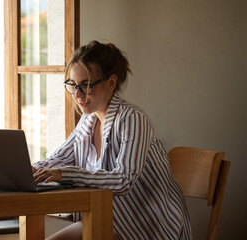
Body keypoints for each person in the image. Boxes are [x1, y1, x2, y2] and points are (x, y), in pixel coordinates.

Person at [32, 40, 191, 240]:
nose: (78, 95)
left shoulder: (132, 119)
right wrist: (29, 170)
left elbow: (123, 180)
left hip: (149, 228)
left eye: (87, 85)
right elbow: (58, 160)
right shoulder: (88, 121)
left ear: (111, 83)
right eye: (73, 85)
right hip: (110, 222)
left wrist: (66, 175)